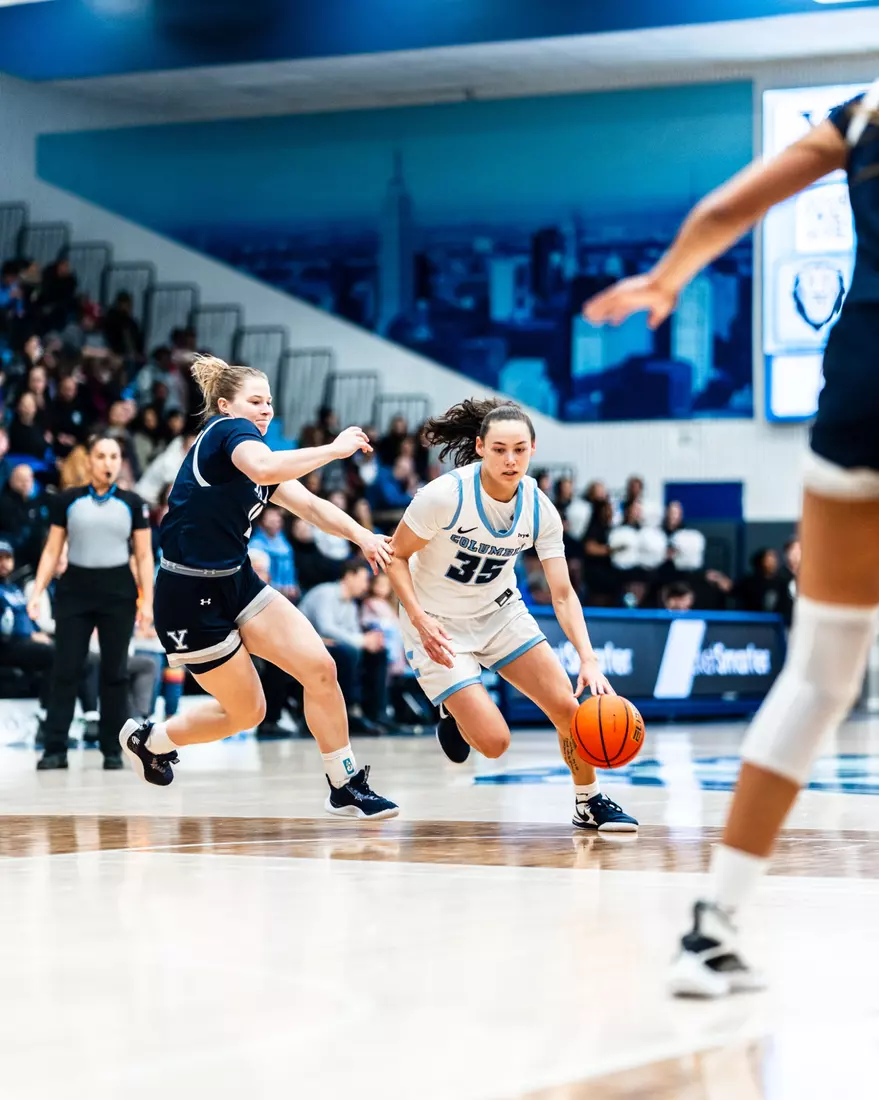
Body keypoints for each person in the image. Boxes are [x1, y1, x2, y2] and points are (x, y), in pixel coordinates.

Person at [584, 83, 879, 995]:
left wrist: (667, 280)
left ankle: (710, 928)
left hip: (858, 391)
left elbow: (724, 208)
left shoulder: (865, 111)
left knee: (820, 676)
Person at [119, 355, 399, 820]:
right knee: (247, 712)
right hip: (188, 597)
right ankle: (149, 741)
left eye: (269, 401)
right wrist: (333, 449)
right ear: (227, 406)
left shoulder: (256, 456)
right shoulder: (228, 435)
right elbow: (267, 469)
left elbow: (310, 506)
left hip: (237, 580)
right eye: (255, 401)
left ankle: (345, 783)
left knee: (320, 667)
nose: (266, 409)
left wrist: (364, 536)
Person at [386, 397, 638, 832]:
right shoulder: (445, 495)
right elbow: (393, 557)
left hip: (499, 612)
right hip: (436, 622)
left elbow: (562, 594)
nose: (510, 459)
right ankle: (453, 713)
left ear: (533, 451)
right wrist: (418, 618)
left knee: (568, 708)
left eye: (519, 449)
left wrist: (588, 658)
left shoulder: (540, 508)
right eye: (500, 448)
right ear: (481, 447)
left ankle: (588, 801)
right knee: (495, 743)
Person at [27, 433, 155, 770]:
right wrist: (38, 592)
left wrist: (148, 604)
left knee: (115, 673)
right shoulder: (68, 500)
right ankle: (55, 748)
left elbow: (143, 556)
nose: (108, 463)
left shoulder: (133, 502)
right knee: (66, 669)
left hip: (119, 591)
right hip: (75, 590)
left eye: (114, 457)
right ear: (89, 461)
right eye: (101, 456)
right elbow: (53, 549)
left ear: (120, 462)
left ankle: (112, 749)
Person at [299, 559, 392, 734]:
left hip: (333, 647)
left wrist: (367, 641)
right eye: (364, 579)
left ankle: (377, 713)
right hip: (306, 645)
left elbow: (353, 634)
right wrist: (362, 640)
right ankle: (349, 711)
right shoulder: (326, 592)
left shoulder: (350, 604)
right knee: (346, 652)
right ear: (349, 576)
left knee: (378, 654)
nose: (366, 585)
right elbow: (325, 628)